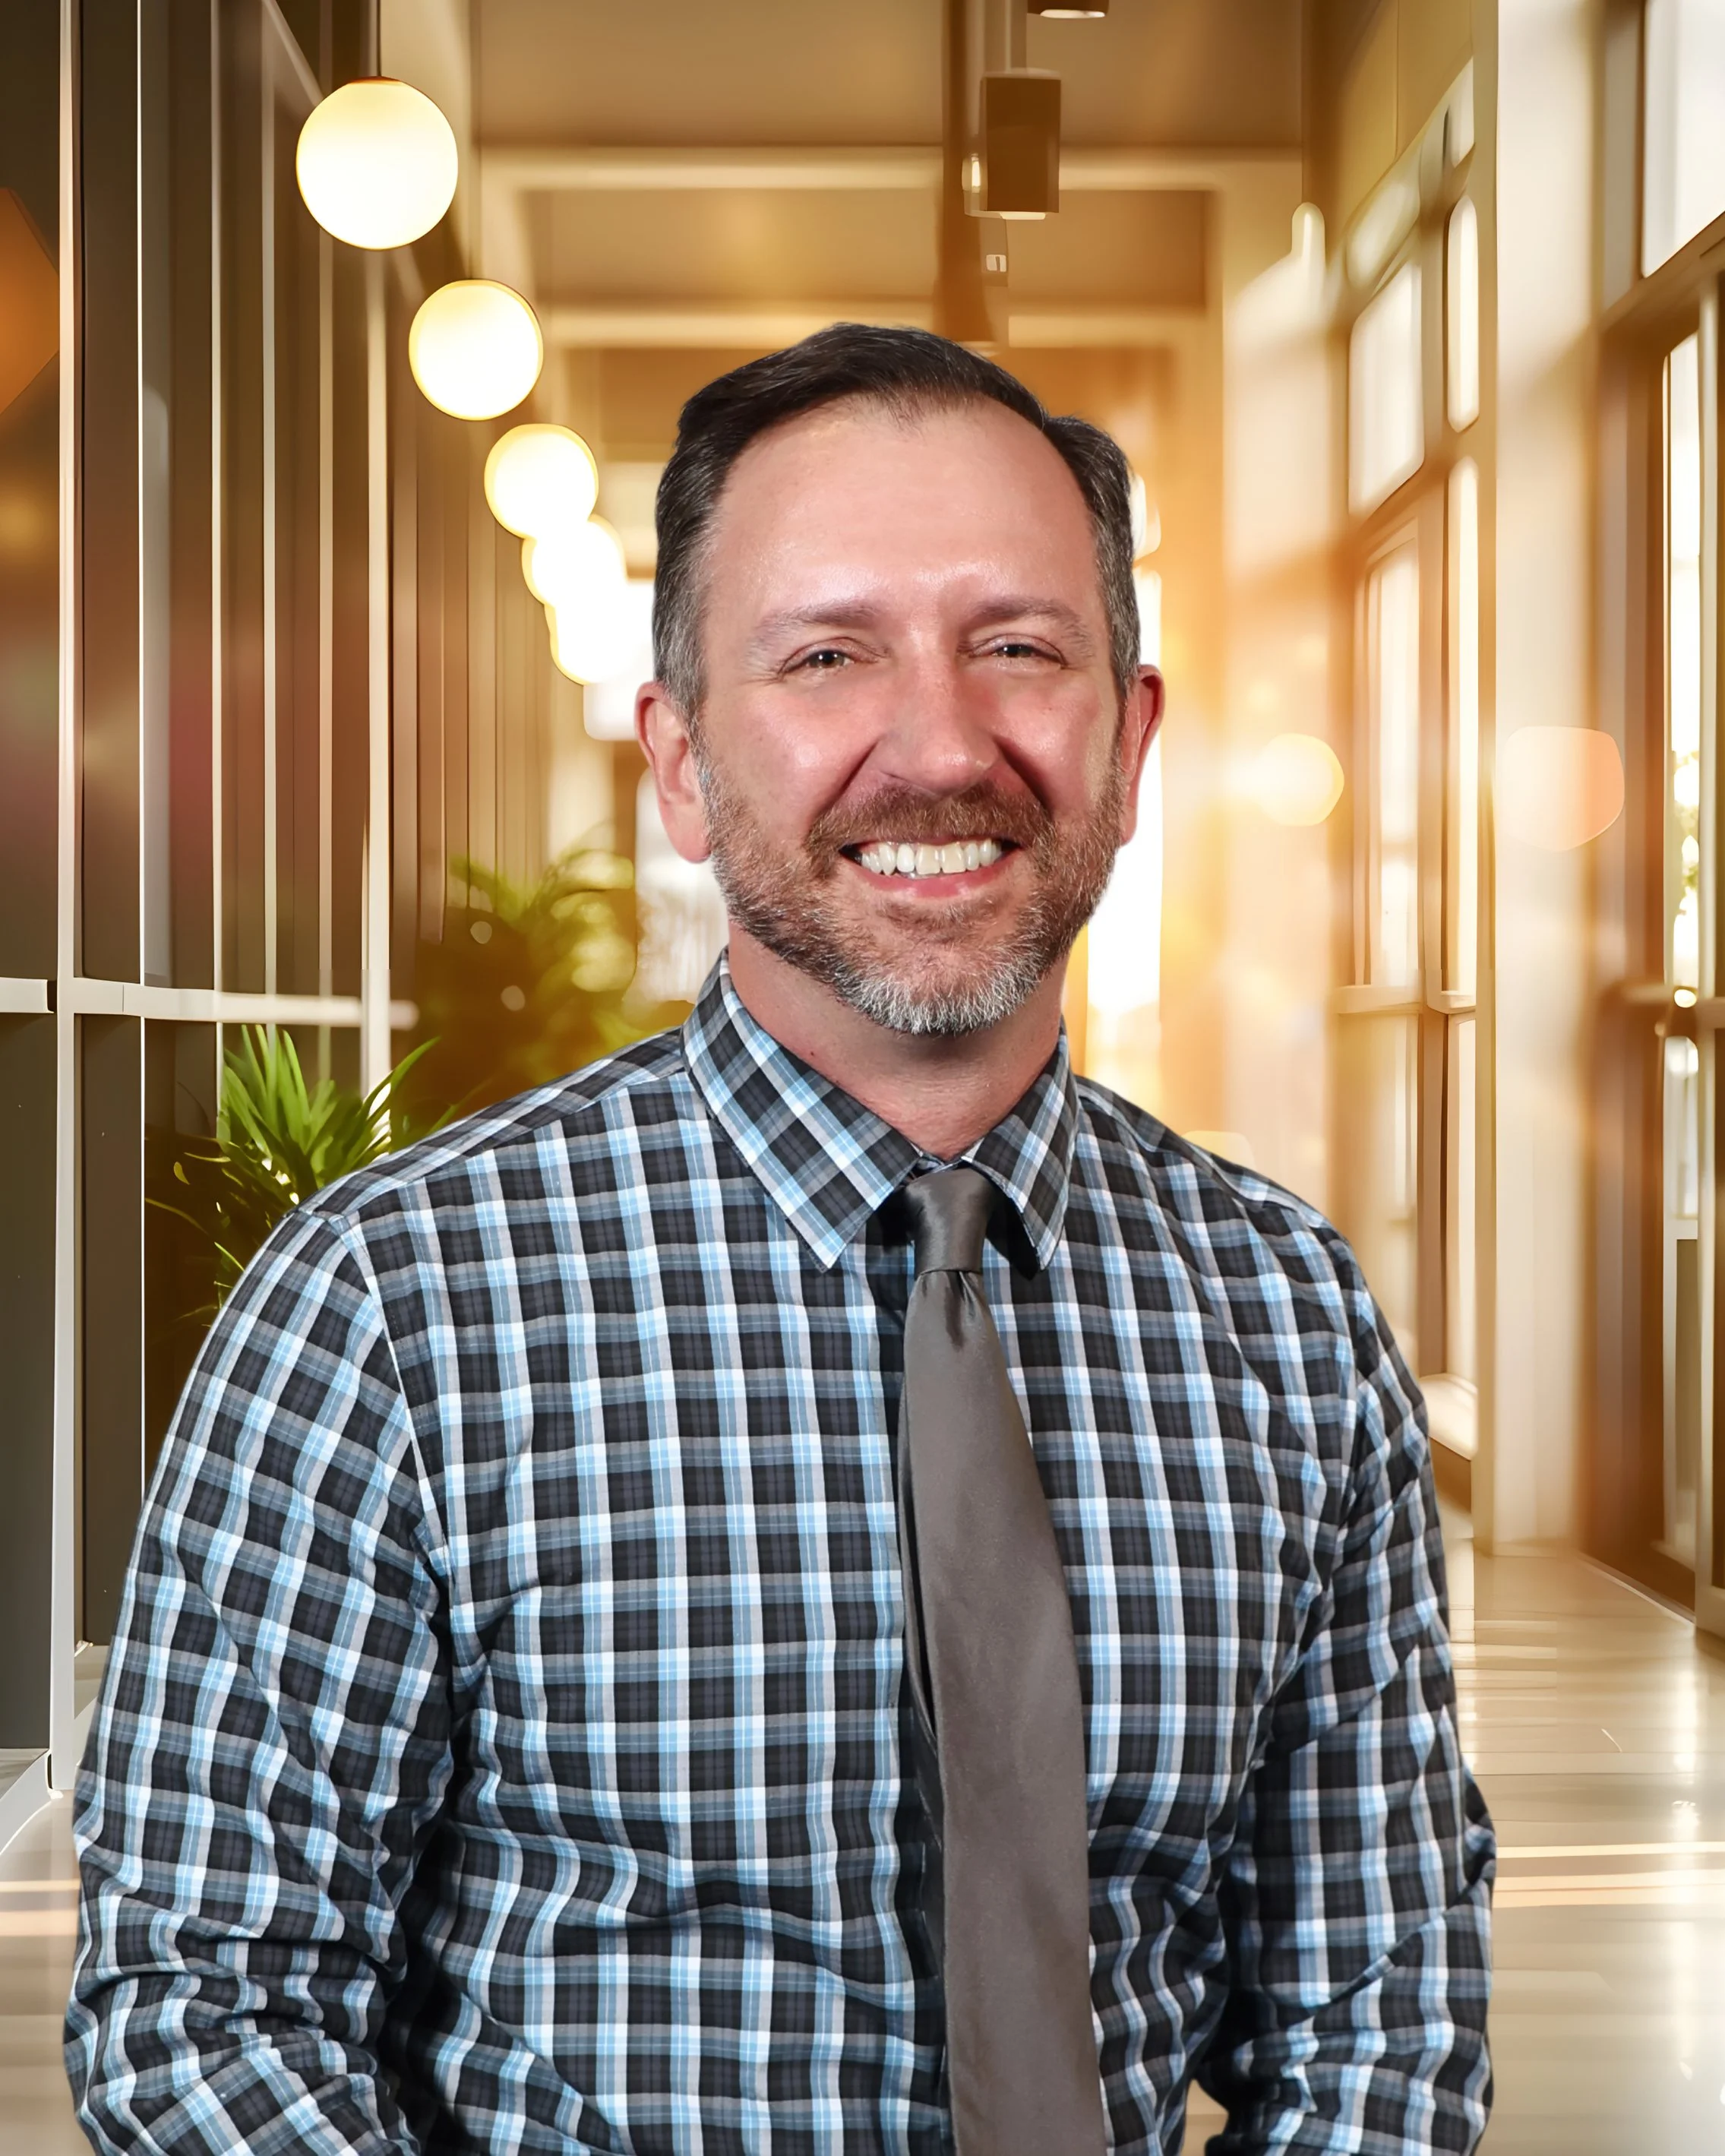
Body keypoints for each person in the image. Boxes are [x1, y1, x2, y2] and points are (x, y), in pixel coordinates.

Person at [68, 324, 1493, 2155]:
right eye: (828, 656)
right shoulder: (393, 1313)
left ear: (1129, 742)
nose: (938, 744)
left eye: (1019, 649)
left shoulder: (1287, 1319)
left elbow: (1381, 2005)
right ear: (680, 764)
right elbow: (204, 2014)